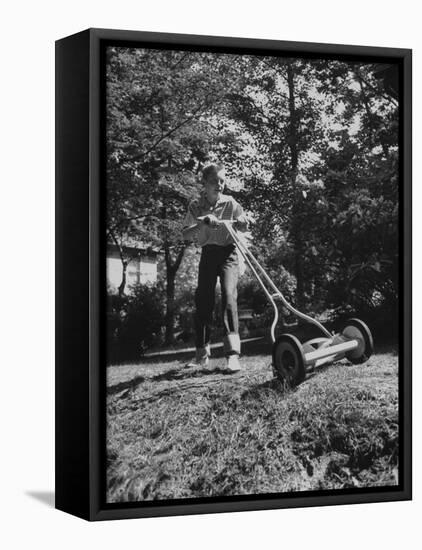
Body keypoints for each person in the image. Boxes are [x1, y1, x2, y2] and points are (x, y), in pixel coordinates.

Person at [182, 163, 248, 372]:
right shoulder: (195, 205)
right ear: (204, 183)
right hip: (208, 254)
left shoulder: (230, 202)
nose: (219, 185)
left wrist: (243, 222)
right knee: (203, 301)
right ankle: (201, 354)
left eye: (222, 180)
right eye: (214, 181)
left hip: (229, 253)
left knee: (229, 297)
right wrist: (202, 223)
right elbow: (185, 234)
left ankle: (232, 355)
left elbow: (243, 223)